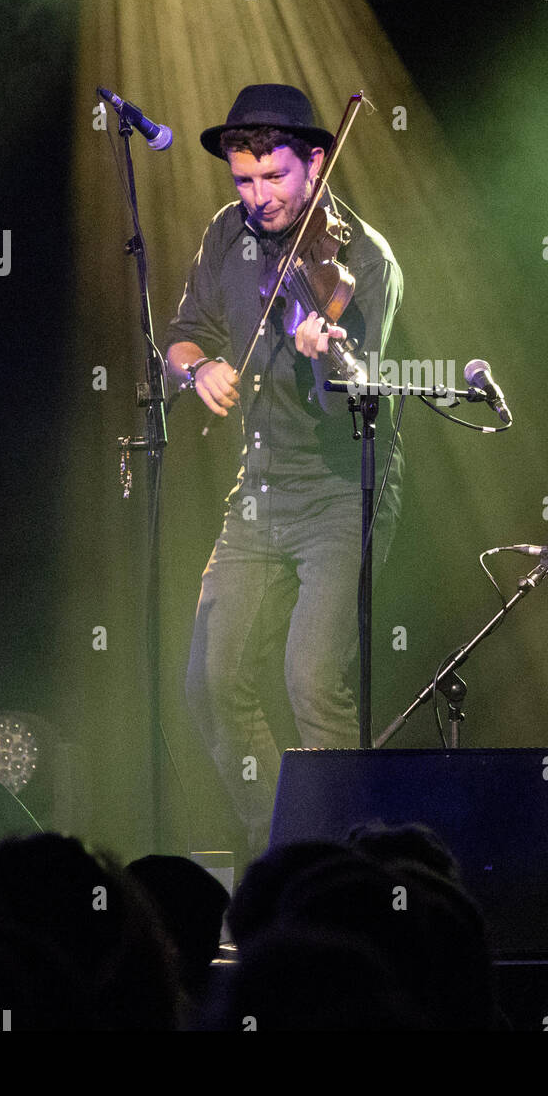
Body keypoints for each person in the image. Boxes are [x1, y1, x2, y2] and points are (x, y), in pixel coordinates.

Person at [165, 84, 402, 862]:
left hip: (342, 490)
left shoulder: (363, 259)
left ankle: (351, 866)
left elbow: (361, 391)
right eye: (244, 179)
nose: (258, 196)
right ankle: (284, 853)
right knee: (211, 681)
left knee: (311, 682)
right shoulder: (224, 236)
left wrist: (327, 349)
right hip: (259, 494)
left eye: (274, 177)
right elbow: (181, 337)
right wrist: (198, 371)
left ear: (316, 161)